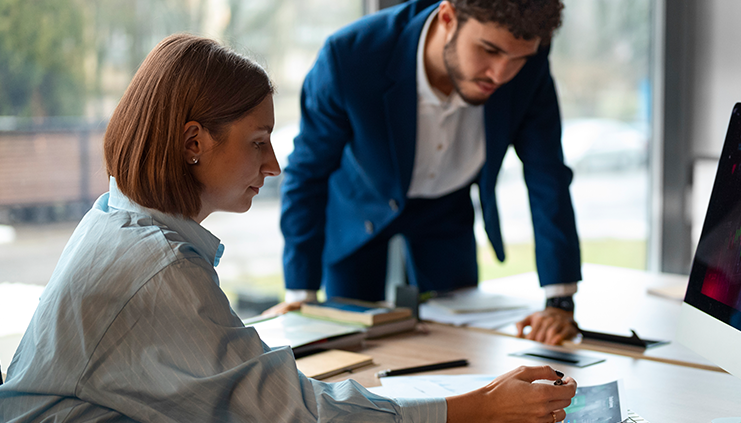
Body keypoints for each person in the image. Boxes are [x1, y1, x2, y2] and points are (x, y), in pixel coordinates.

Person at [0, 33, 576, 422]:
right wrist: (478, 407)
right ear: (193, 143)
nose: (273, 165)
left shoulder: (115, 217)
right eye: (258, 143)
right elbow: (298, 414)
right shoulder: (160, 267)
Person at [267, 0, 583, 346]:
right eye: (489, 50)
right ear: (448, 17)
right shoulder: (350, 56)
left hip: (447, 209)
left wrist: (560, 300)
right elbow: (306, 174)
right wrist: (301, 292)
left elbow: (547, 174)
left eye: (518, 58)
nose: (501, 74)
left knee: (457, 345)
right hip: (360, 207)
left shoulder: (530, 62)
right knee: (347, 342)